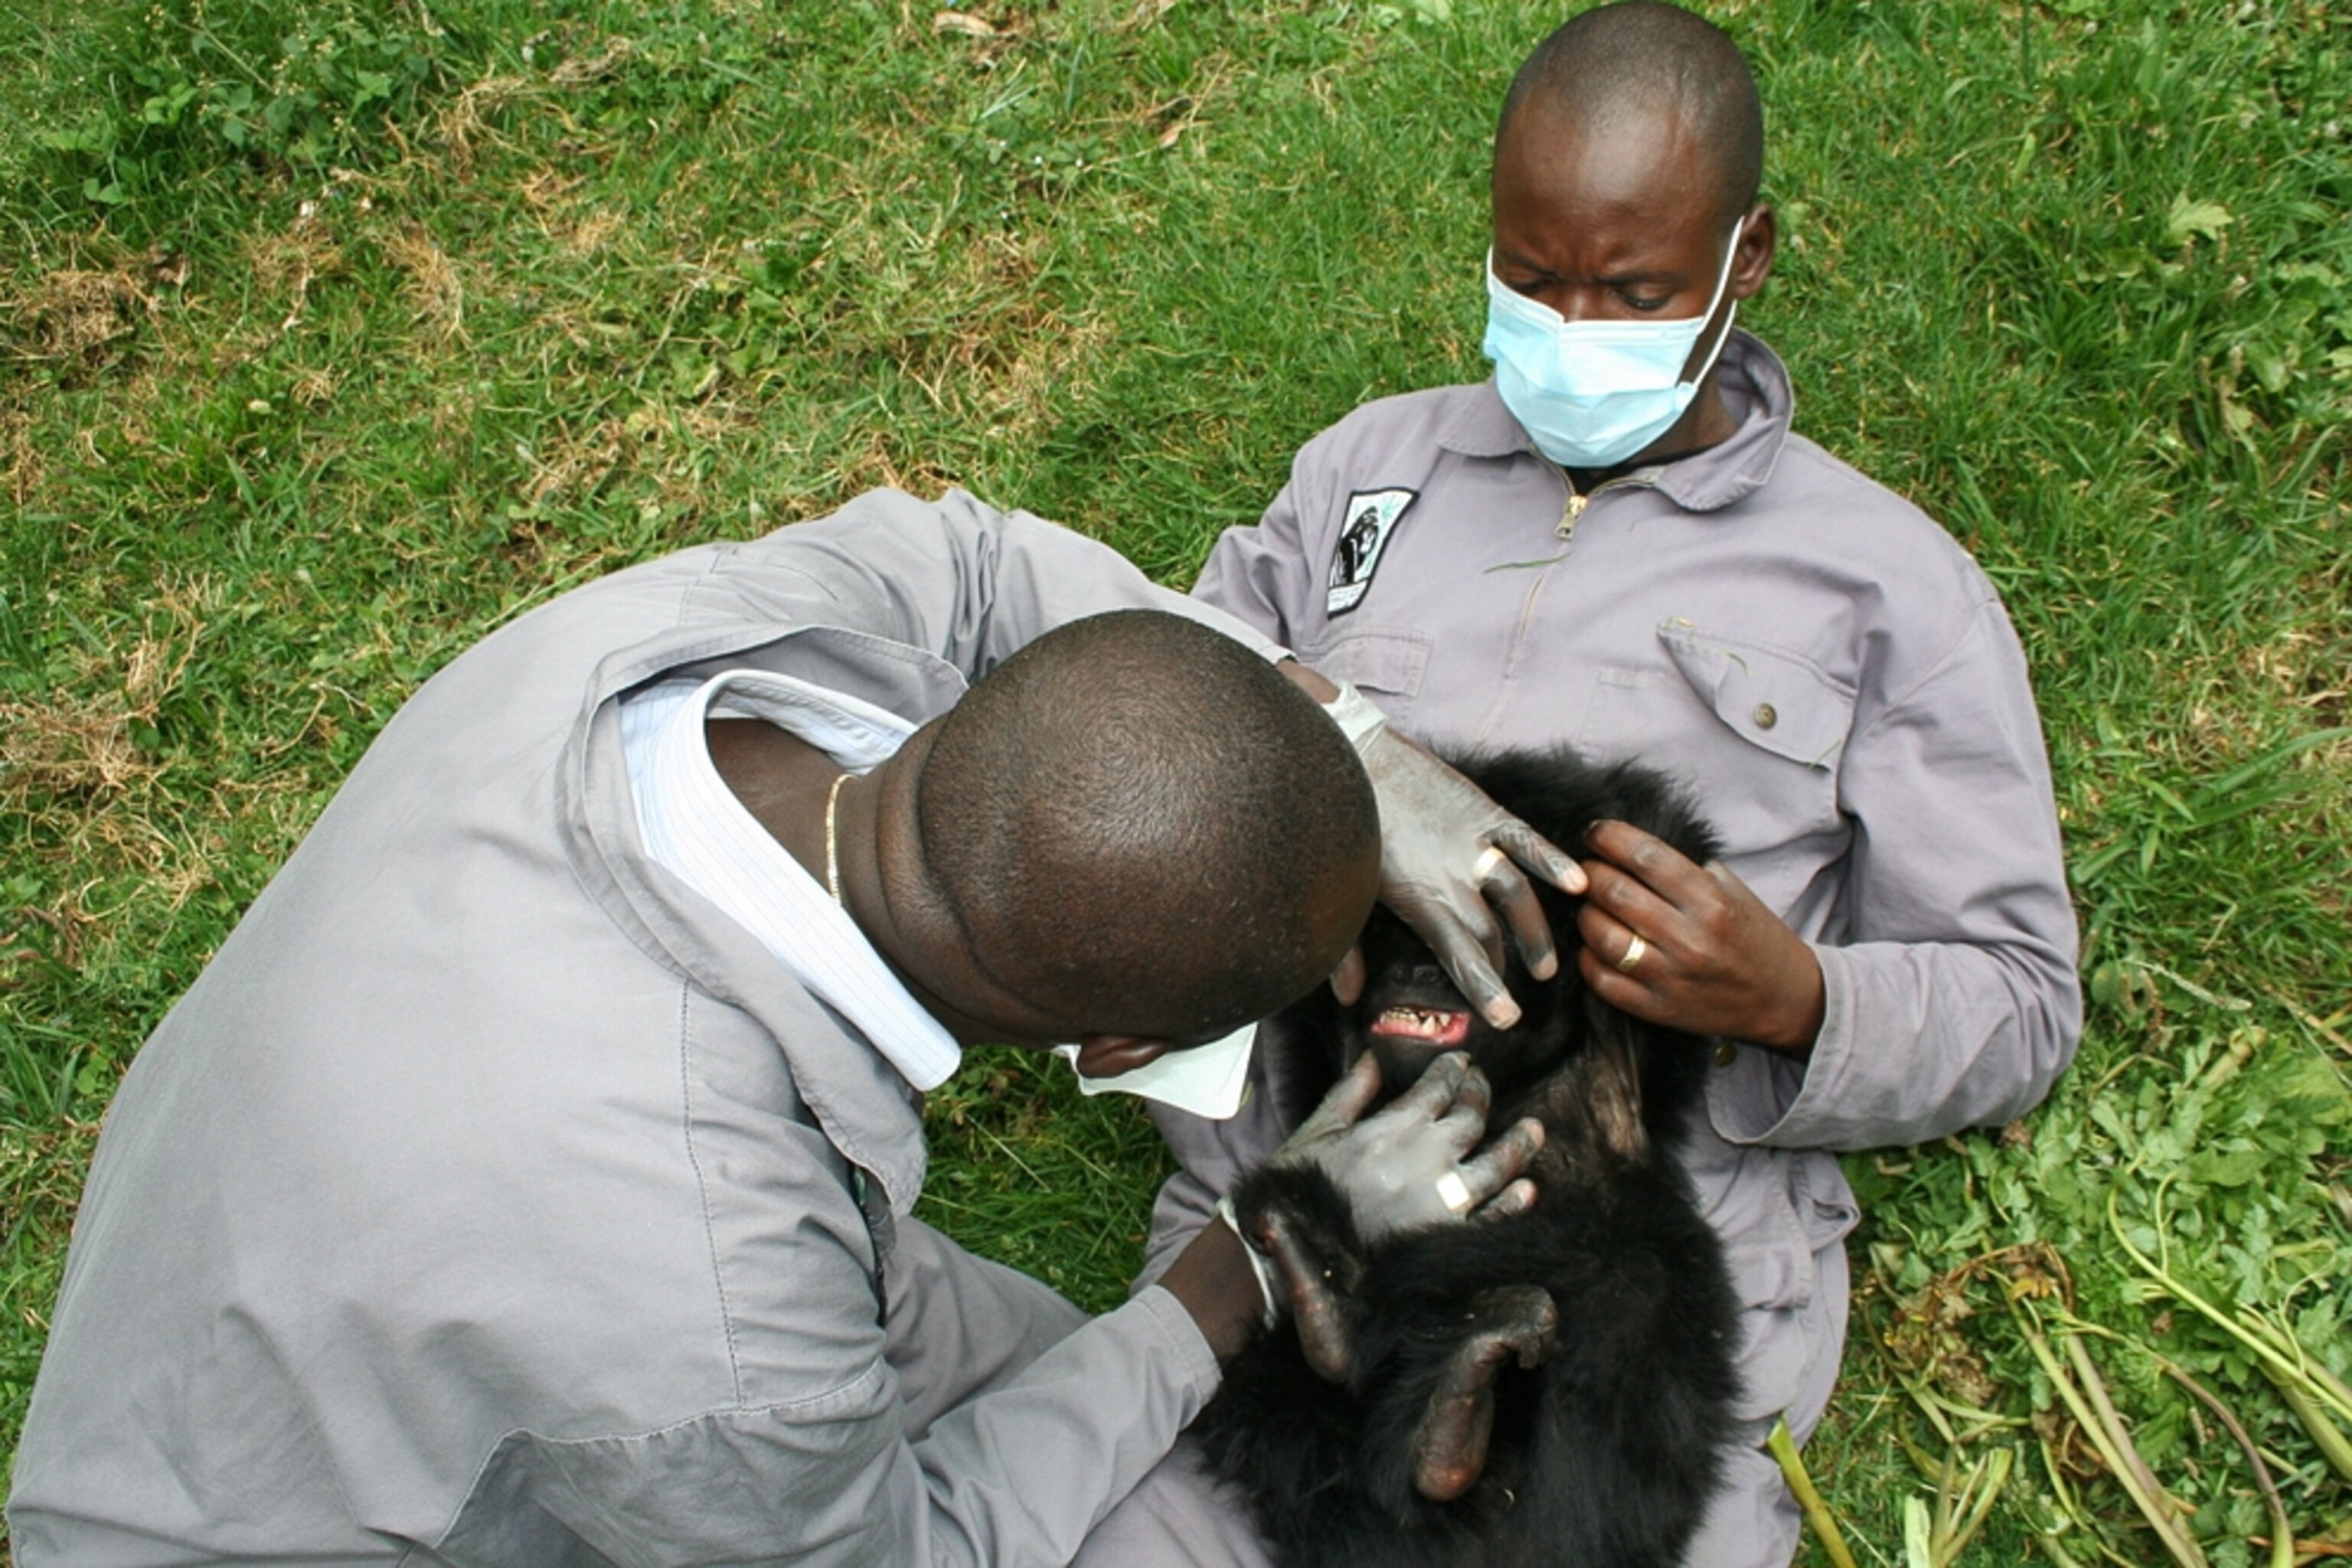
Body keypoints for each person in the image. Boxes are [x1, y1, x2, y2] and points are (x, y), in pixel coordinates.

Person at [8, 488, 1554, 1565]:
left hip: (312, 1219)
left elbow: (978, 559)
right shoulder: (719, 1318)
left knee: (1076, 1388)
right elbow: (907, 1549)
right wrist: (1243, 1263)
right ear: (1120, 1052)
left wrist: (1344, 736)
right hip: (275, 1513)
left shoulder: (724, 638)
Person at [1144, 5, 2084, 1563]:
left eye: (1633, 291)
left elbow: (2022, 1003)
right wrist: (1330, 771)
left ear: (1748, 256)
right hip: (1291, 1204)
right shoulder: (1363, 479)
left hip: (1628, 1255)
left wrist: (1795, 1000)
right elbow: (1164, 716)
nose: (1572, 326)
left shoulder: (1887, 589)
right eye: (1532, 276)